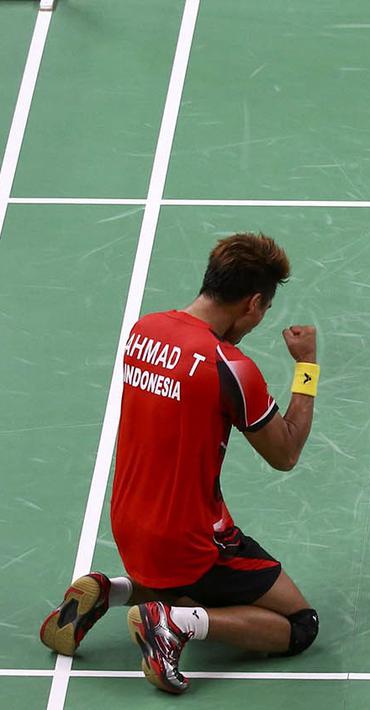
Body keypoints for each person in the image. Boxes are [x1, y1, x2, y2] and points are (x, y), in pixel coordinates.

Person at [39, 233, 320, 694]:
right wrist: (307, 366)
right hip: (189, 542)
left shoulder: (143, 331)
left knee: (188, 583)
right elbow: (285, 453)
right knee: (299, 624)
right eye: (264, 310)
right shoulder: (230, 365)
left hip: (129, 526)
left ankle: (113, 590)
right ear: (252, 303)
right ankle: (175, 624)